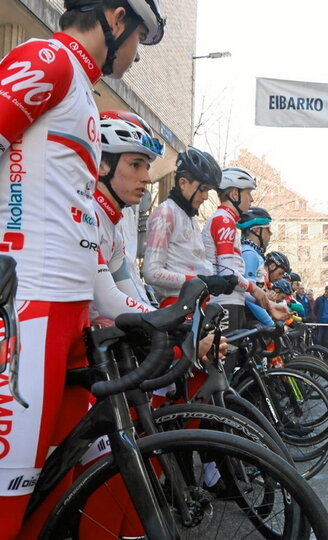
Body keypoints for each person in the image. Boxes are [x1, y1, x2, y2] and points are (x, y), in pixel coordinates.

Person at [0, 0, 165, 536]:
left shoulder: (82, 90)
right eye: (139, 37)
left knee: (57, 489)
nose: (137, 55)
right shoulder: (48, 57)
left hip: (71, 312)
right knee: (7, 494)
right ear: (116, 19)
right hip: (33, 305)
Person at [90, 111, 163, 324]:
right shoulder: (87, 216)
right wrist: (167, 325)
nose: (147, 178)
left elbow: (129, 296)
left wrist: (175, 327)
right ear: (102, 165)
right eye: (135, 165)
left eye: (146, 167)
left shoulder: (112, 228)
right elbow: (108, 300)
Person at [144, 147, 221, 306]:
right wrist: (201, 281)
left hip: (195, 304)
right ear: (183, 183)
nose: (206, 196)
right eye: (203, 189)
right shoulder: (165, 213)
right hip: (176, 306)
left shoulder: (189, 217)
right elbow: (152, 273)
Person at [202, 166, 268, 336]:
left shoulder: (226, 220)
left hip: (231, 301)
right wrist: (254, 289)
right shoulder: (223, 220)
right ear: (234, 194)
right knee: (224, 360)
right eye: (248, 193)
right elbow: (228, 273)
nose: (252, 199)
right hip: (223, 302)